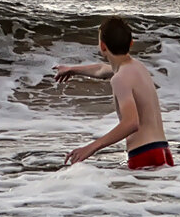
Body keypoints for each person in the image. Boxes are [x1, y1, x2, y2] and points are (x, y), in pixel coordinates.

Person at [53, 16, 173, 169]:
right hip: (162, 151)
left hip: (144, 154)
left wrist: (91, 147)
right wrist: (73, 70)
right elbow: (102, 69)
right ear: (131, 43)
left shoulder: (120, 78)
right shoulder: (137, 67)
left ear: (103, 46)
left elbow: (131, 123)